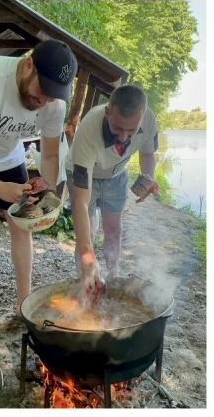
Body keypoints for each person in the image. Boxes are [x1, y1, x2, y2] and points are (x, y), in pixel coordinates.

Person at [0, 39, 78, 346]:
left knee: (22, 230)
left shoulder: (54, 103)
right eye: (41, 91)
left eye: (52, 96)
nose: (44, 101)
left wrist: (46, 191)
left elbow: (49, 156)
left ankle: (25, 304)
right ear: (28, 65)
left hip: (11, 159)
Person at [66, 84, 158, 302]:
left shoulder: (149, 120)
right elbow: (80, 201)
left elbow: (147, 154)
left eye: (131, 131)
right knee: (87, 233)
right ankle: (87, 280)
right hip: (84, 174)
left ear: (142, 117)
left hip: (116, 175)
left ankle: (113, 278)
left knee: (114, 229)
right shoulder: (89, 129)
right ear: (108, 112)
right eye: (117, 129)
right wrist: (89, 254)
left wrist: (147, 178)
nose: (124, 137)